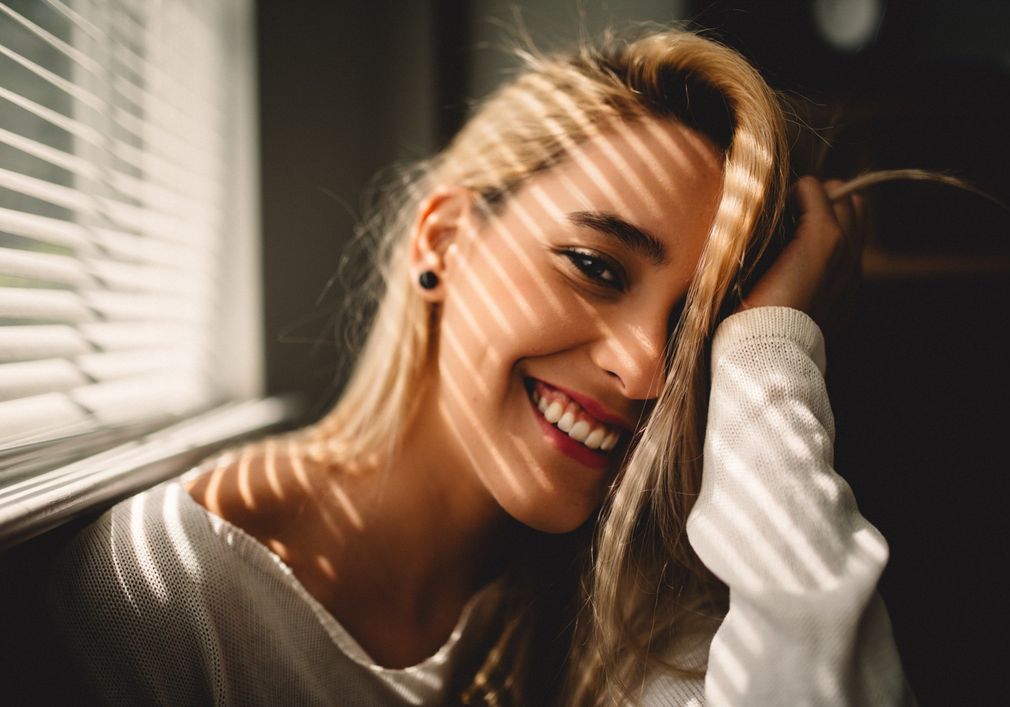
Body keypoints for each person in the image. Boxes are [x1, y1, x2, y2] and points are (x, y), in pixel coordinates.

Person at [49, 27, 918, 705]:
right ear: (444, 240)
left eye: (699, 326)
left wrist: (770, 347)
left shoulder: (639, 618)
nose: (648, 371)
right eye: (596, 266)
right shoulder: (170, 593)